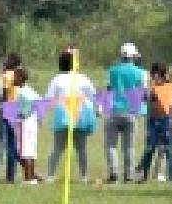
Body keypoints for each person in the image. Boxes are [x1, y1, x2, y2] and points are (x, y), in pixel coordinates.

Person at [45, 49, 98, 182]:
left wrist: (48, 108)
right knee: (81, 148)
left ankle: (50, 175)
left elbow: (49, 98)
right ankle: (83, 176)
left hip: (62, 115)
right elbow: (93, 95)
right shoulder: (83, 78)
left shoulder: (57, 79)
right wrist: (97, 109)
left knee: (58, 148)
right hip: (81, 115)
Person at [105, 43, 146, 183]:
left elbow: (109, 89)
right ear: (133, 56)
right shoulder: (141, 72)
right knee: (129, 146)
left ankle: (114, 173)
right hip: (131, 112)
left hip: (114, 111)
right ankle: (129, 175)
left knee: (111, 145)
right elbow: (143, 92)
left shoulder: (112, 71)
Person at [136, 63, 172, 183]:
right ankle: (144, 176)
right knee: (149, 148)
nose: (153, 77)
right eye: (152, 75)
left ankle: (171, 178)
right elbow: (144, 100)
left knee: (169, 150)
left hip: (167, 121)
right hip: (152, 121)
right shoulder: (151, 88)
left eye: (155, 74)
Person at [0, 53, 21, 183]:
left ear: (12, 63)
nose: (4, 62)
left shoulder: (6, 76)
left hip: (5, 109)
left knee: (0, 144)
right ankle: (11, 175)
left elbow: (3, 95)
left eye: (7, 60)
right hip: (15, 110)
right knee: (12, 144)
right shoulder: (19, 77)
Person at [13, 67, 42, 184]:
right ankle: (33, 176)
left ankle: (29, 178)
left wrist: (17, 116)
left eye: (15, 77)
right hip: (33, 123)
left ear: (20, 78)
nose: (13, 79)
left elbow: (24, 111)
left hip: (25, 124)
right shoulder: (31, 90)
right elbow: (40, 103)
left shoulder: (21, 92)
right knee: (30, 152)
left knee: (25, 152)